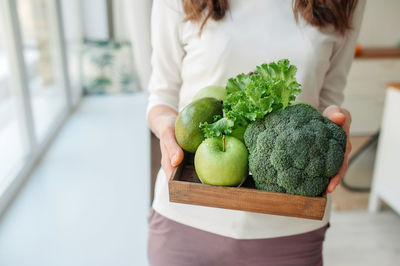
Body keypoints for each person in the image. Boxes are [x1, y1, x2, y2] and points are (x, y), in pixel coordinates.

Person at [146, 0, 365, 265]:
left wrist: (337, 122)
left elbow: (330, 95)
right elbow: (162, 95)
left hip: (291, 230)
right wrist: (167, 127)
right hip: (184, 220)